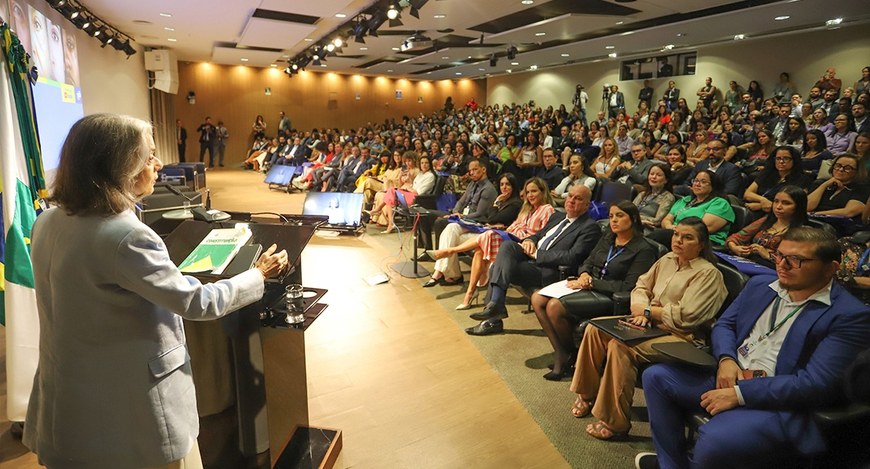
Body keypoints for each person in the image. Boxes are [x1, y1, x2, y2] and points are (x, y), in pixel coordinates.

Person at [22, 114, 289, 468]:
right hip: (130, 413)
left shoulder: (47, 221)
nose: (158, 164)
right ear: (121, 166)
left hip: (72, 407)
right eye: (149, 156)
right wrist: (257, 275)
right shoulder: (126, 236)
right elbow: (197, 302)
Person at [639, 227, 870, 469]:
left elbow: (815, 384)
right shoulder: (760, 285)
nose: (783, 264)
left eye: (797, 260)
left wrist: (740, 394)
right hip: (732, 373)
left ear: (830, 268)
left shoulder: (849, 315)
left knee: (715, 441)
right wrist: (727, 359)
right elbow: (725, 325)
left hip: (780, 400)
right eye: (779, 255)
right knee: (656, 377)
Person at [570, 217, 727, 440]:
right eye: (676, 235)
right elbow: (641, 286)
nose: (679, 241)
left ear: (701, 244)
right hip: (650, 324)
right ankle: (586, 394)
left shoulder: (708, 273)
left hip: (682, 337)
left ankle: (616, 423)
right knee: (595, 328)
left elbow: (688, 315)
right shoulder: (667, 259)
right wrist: (642, 309)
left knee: (619, 346)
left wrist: (648, 313)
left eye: (688, 237)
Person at [531, 202, 658, 380]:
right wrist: (583, 274)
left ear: (633, 219)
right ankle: (564, 352)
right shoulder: (608, 238)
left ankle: (569, 355)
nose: (614, 220)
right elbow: (587, 262)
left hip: (610, 296)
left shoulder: (643, 249)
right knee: (537, 298)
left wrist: (591, 283)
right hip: (588, 285)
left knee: (554, 306)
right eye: (612, 216)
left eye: (620, 216)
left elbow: (629, 287)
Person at [465, 185, 602, 336]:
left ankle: (493, 318)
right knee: (508, 246)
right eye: (570, 196)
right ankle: (495, 307)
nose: (571, 200)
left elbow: (572, 257)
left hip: (549, 270)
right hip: (532, 260)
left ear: (587, 204)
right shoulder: (557, 216)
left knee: (496, 266)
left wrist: (537, 254)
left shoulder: (590, 227)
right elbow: (539, 235)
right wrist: (529, 240)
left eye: (578, 198)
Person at [424, 173, 523, 289]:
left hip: (494, 236)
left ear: (513, 186)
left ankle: (448, 274)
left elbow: (491, 218)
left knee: (452, 237)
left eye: (508, 184)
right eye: (502, 184)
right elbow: (489, 216)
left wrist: (496, 203)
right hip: (484, 229)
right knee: (451, 228)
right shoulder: (502, 200)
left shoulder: (515, 203)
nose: (504, 187)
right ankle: (444, 272)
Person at [727, 185, 808, 268]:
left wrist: (767, 255)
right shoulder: (766, 221)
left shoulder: (802, 232)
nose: (778, 207)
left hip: (773, 271)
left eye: (786, 203)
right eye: (776, 201)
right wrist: (734, 247)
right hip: (749, 262)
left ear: (798, 206)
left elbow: (793, 263)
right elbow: (736, 237)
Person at [654, 170, 735, 246]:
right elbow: (666, 219)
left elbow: (702, 228)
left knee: (658, 235)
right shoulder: (686, 200)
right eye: (696, 181)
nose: (697, 184)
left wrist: (677, 230)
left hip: (703, 240)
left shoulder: (720, 203)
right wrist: (669, 226)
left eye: (703, 182)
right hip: (676, 233)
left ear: (713, 186)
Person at [742, 146, 811, 222]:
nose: (781, 161)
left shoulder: (802, 179)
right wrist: (763, 200)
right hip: (752, 206)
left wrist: (763, 206)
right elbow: (747, 194)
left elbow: (795, 206)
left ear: (794, 160)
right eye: (778, 158)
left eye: (786, 158)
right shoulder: (767, 173)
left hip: (776, 215)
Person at [807, 153, 869, 219]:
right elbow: (807, 207)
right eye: (838, 166)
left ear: (857, 172)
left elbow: (848, 212)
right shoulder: (820, 183)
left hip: (838, 224)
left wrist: (814, 214)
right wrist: (824, 185)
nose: (841, 169)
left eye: (848, 168)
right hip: (811, 221)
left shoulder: (862, 188)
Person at [634, 163, 676, 230]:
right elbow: (629, 211)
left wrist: (635, 218)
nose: (653, 177)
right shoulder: (642, 194)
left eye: (658, 175)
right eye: (651, 174)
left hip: (648, 229)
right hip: (633, 223)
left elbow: (657, 221)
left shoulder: (668, 197)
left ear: (666, 180)